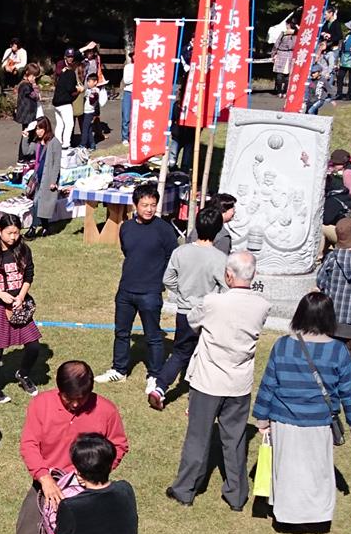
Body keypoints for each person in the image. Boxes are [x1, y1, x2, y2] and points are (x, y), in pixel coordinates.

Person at [0, 360, 128, 534]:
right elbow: (29, 444)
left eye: (82, 398)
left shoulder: (106, 410)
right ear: (59, 391)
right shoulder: (41, 405)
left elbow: (119, 446)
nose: (76, 404)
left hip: (85, 493)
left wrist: (93, 475)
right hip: (45, 487)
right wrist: (44, 477)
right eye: (70, 399)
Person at [253, 292, 351, 533]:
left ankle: (286, 515)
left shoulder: (283, 345)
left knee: (286, 469)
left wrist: (261, 418)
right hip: (319, 421)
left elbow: (269, 384)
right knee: (317, 470)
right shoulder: (338, 350)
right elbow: (349, 391)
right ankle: (315, 516)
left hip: (284, 419)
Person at [166, 252, 270, 511]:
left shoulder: (213, 302)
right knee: (235, 440)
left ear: (228, 275)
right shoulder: (262, 305)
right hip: (239, 383)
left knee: (198, 437)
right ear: (254, 275)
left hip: (208, 381)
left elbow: (192, 321)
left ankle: (185, 489)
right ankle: (237, 495)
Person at [149, 206, 229, 410]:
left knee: (180, 353)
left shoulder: (180, 251)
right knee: (206, 356)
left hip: (184, 312)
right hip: (208, 313)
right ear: (218, 230)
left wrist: (182, 293)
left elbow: (168, 279)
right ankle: (196, 400)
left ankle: (160, 388)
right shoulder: (219, 258)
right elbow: (226, 287)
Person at [101, 184, 178, 384]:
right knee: (121, 332)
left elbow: (173, 258)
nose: (149, 209)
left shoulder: (164, 230)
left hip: (150, 292)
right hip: (126, 290)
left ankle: (155, 374)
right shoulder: (126, 227)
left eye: (153, 205)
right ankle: (119, 369)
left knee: (153, 336)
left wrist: (160, 279)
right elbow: (128, 251)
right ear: (136, 205)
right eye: (145, 205)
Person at [0, 214, 47, 403]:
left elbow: (29, 275)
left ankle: (23, 373)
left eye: (17, 232)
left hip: (19, 305)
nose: (14, 237)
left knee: (34, 345)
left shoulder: (23, 250)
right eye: (9, 233)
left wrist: (21, 296)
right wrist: (1, 295)